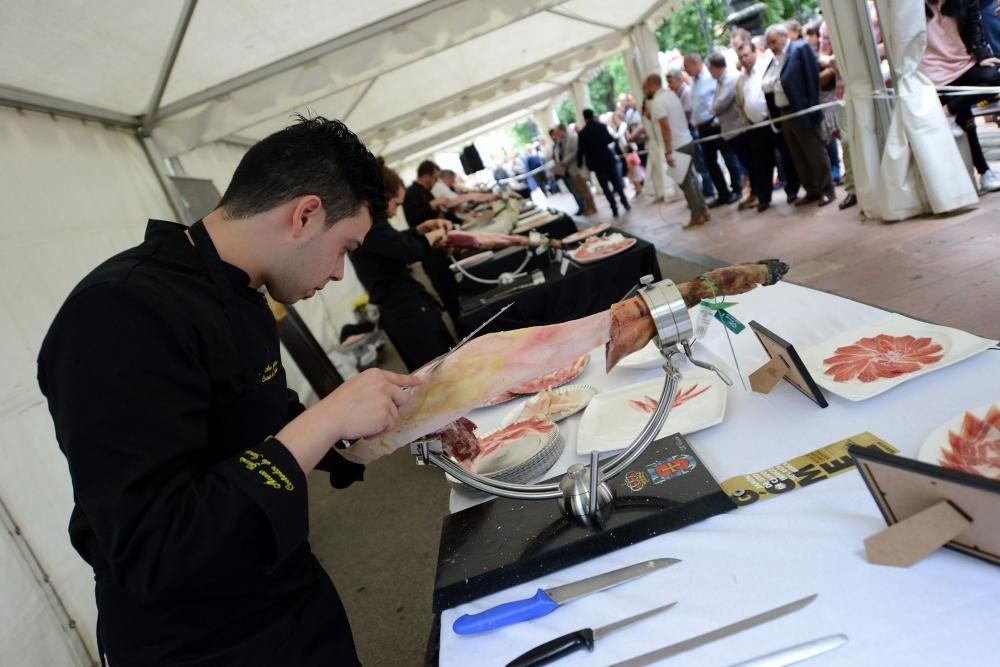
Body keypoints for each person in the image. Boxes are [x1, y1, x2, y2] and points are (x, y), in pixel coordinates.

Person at [36, 116, 422, 666]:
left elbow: (258, 417)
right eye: (344, 248)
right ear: (306, 214)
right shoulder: (118, 313)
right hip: (202, 641)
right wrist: (326, 418)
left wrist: (399, 418)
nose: (340, 274)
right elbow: (156, 548)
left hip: (282, 589)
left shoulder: (242, 290)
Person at [351, 159, 456, 371]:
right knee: (438, 369)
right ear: (383, 198)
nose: (395, 212)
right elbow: (407, 249)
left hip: (401, 307)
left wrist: (420, 229)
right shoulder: (369, 226)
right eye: (396, 204)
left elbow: (394, 241)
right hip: (404, 310)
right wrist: (431, 236)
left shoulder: (372, 225)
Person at [921, 0, 1000, 193]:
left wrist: (982, 56)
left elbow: (974, 24)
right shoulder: (911, 7)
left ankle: (948, 112)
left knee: (995, 77)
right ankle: (984, 172)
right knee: (965, 115)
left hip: (964, 64)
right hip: (931, 72)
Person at [763, 23, 836, 207]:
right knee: (798, 154)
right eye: (769, 43)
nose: (771, 46)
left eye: (773, 41)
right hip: (785, 112)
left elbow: (812, 78)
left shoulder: (799, 48)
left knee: (814, 152)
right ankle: (811, 189)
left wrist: (812, 107)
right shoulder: (775, 59)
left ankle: (827, 190)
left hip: (802, 109)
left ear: (784, 35)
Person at [642, 72, 710, 228]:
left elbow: (665, 127)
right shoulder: (671, 95)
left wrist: (667, 151)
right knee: (691, 178)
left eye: (645, 88)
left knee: (685, 182)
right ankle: (703, 210)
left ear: (652, 86)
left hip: (676, 145)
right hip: (686, 140)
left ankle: (697, 214)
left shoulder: (659, 101)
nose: (644, 91)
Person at [402, 160, 462, 323]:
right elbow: (415, 221)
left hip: (439, 247)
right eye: (434, 178)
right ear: (426, 176)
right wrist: (433, 205)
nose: (436, 181)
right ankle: (460, 325)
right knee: (446, 291)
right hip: (429, 251)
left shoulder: (425, 191)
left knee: (453, 288)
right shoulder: (411, 193)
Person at [686, 52, 741, 206]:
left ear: (696, 63)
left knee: (728, 156)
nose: (686, 70)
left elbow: (718, 97)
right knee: (710, 162)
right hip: (702, 127)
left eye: (687, 66)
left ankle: (737, 189)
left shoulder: (710, 77)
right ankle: (723, 193)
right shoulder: (692, 81)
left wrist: (717, 120)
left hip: (714, 124)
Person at [733, 30, 779, 213]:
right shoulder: (741, 80)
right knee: (761, 164)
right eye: (741, 57)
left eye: (746, 55)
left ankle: (792, 190)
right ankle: (764, 198)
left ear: (753, 52)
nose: (744, 59)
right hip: (753, 126)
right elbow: (740, 103)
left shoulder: (765, 67)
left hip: (771, 121)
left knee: (784, 156)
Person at [707, 51, 750, 206]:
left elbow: (719, 105)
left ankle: (752, 191)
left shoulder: (730, 79)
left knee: (746, 161)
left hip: (738, 128)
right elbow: (715, 105)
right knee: (743, 161)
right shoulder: (719, 82)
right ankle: (753, 191)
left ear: (714, 67)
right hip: (729, 129)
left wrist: (714, 108)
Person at [577, 108, 631, 217]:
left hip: (597, 164)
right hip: (608, 159)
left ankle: (614, 208)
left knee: (606, 188)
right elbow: (610, 140)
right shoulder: (601, 127)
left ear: (584, 118)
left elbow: (581, 150)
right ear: (593, 115)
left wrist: (580, 162)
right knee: (616, 183)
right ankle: (625, 203)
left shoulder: (583, 133)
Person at [553, 124, 597, 216]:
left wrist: (564, 161)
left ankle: (592, 208)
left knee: (585, 190)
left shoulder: (572, 137)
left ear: (562, 130)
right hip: (570, 171)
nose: (557, 135)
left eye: (558, 132)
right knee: (580, 191)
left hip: (577, 169)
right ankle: (588, 207)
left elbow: (576, 152)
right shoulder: (562, 141)